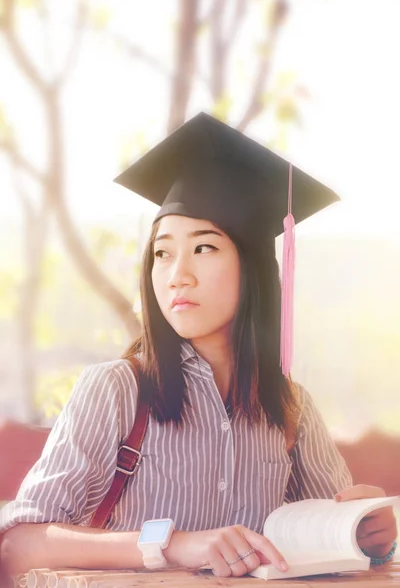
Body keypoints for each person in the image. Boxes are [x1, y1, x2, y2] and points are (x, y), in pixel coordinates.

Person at [0, 113, 397, 578]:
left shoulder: (291, 409)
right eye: (163, 253)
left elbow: (333, 544)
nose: (177, 275)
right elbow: (18, 545)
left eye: (204, 248)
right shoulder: (118, 390)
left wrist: (368, 535)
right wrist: (174, 545)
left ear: (252, 266)